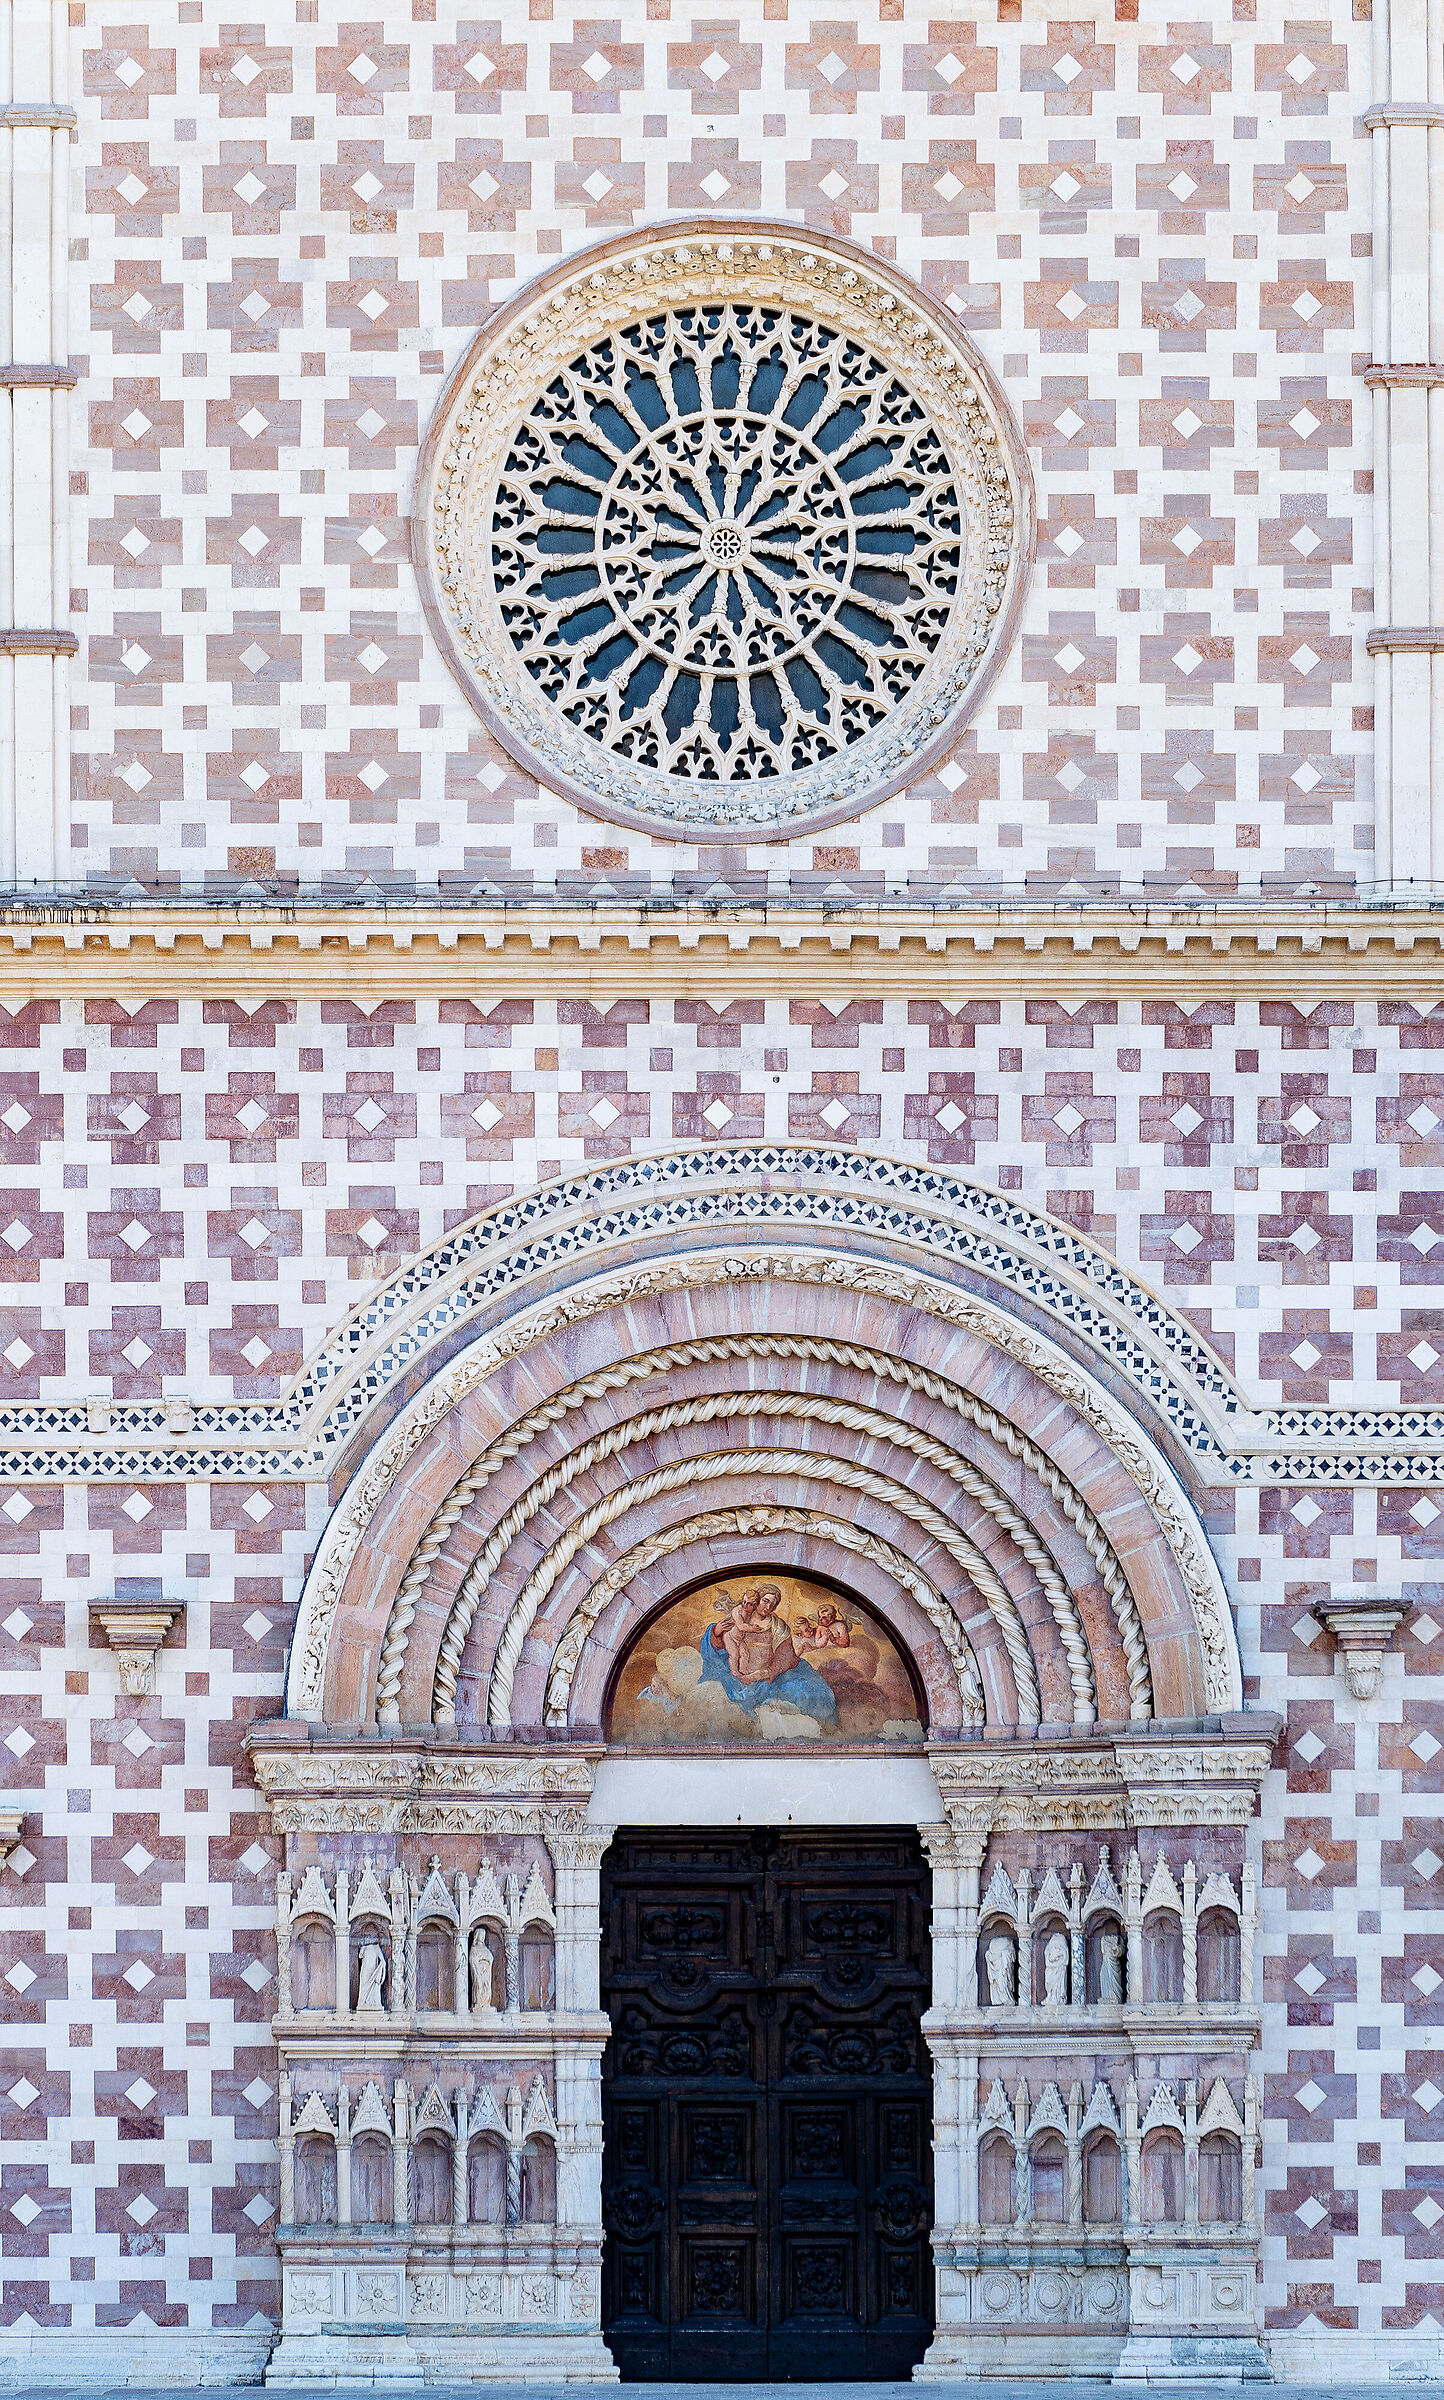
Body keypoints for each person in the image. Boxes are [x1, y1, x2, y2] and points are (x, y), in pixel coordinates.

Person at [697, 1583, 838, 1728]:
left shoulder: (779, 1626)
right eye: (766, 1601)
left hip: (768, 1675)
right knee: (711, 1690)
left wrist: (765, 1673)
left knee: (809, 1691)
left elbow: (785, 1656)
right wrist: (715, 1632)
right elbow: (722, 1644)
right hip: (737, 1672)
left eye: (773, 1604)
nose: (768, 1607)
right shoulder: (740, 1616)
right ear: (757, 1599)